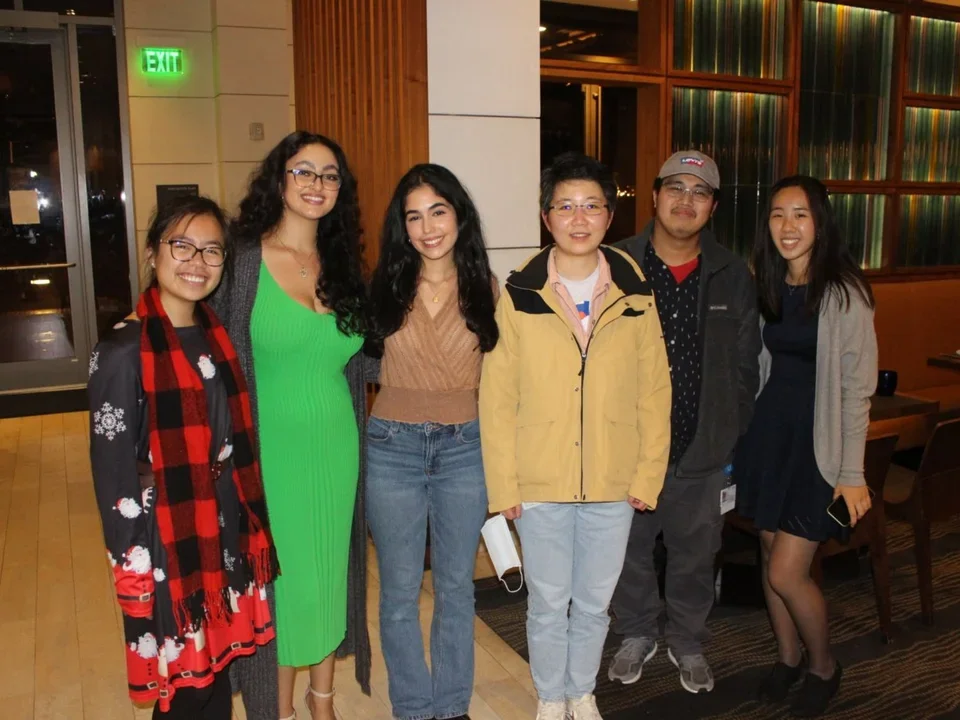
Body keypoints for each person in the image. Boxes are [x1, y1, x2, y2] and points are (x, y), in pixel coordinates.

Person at [479, 152, 672, 720]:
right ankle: (549, 695)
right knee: (546, 603)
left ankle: (581, 691)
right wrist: (503, 484)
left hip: (614, 480)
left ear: (609, 217)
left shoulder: (636, 292)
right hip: (539, 479)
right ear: (547, 216)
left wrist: (647, 475)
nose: (579, 218)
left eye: (592, 206)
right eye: (566, 206)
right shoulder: (520, 293)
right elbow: (497, 396)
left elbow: (655, 392)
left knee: (592, 603)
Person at [88, 195, 279, 719]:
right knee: (186, 688)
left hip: (217, 528)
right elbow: (113, 475)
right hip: (166, 540)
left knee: (214, 673)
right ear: (153, 253)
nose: (197, 262)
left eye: (211, 251)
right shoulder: (125, 349)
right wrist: (133, 565)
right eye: (182, 246)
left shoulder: (215, 334)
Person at [210, 131, 371, 720]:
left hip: (336, 446)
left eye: (329, 176)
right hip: (267, 455)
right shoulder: (242, 259)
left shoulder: (346, 265)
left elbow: (372, 354)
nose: (316, 185)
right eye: (304, 171)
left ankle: (322, 699)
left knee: (329, 572)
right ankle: (271, 709)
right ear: (279, 180)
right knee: (279, 584)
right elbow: (201, 341)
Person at [608, 151, 761, 693]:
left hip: (701, 448)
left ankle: (689, 640)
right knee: (628, 552)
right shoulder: (616, 264)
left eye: (699, 192)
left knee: (696, 556)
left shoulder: (731, 273)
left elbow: (747, 365)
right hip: (627, 449)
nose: (685, 200)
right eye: (675, 187)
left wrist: (726, 431)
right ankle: (635, 632)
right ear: (654, 196)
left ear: (712, 207)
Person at [736, 175, 877, 717]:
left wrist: (853, 472)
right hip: (769, 439)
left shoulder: (844, 292)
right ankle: (788, 657)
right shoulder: (768, 284)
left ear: (820, 221)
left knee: (785, 573)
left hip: (817, 450)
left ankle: (823, 666)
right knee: (768, 553)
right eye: (777, 215)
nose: (787, 227)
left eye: (800, 214)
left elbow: (857, 390)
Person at [365, 163, 499, 720]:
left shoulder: (488, 288)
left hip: (466, 449)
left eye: (437, 212)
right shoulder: (383, 287)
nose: (427, 227)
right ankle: (414, 708)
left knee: (455, 589)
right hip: (391, 448)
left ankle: (452, 707)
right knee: (398, 594)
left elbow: (503, 383)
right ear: (403, 227)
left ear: (459, 215)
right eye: (413, 216)